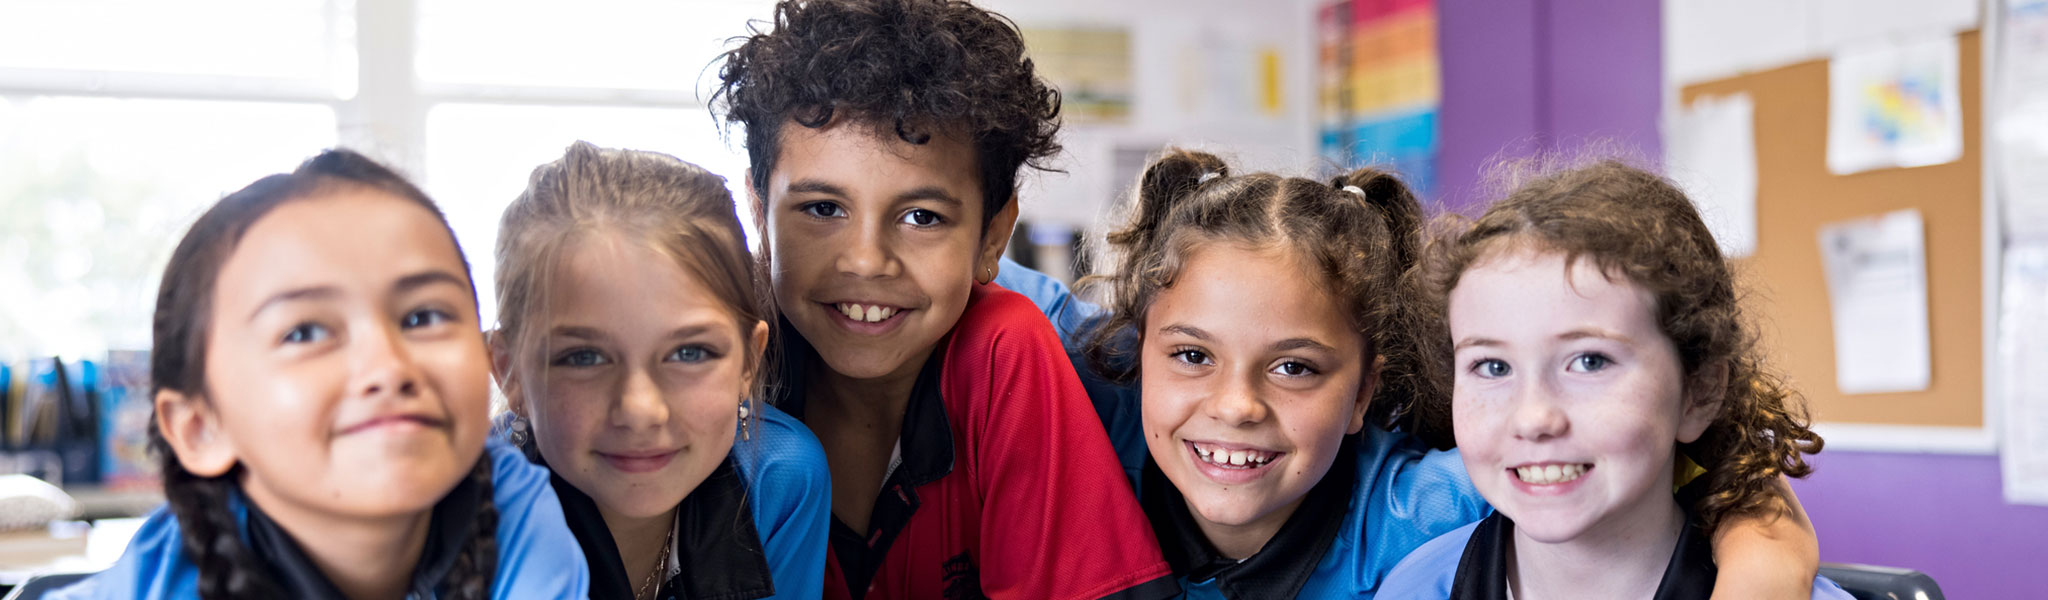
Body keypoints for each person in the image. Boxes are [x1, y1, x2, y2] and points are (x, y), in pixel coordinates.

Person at [1000, 151, 1830, 599]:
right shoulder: (1093, 398)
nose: (1235, 404)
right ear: (1137, 349)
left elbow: (1687, 466)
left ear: (1365, 390)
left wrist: (1767, 567)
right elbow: (937, 281)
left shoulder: (1425, 510)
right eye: (1190, 355)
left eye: (1295, 367)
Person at [713, 1, 1173, 598]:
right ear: (758, 211)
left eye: (921, 216)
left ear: (993, 236)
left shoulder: (1006, 348)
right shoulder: (704, 363)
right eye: (823, 209)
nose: (866, 260)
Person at [53, 149, 587, 600]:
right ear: (200, 428)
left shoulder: (512, 498)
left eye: (424, 317)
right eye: (305, 332)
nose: (390, 367)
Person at [1378, 159, 1851, 599]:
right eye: (1493, 366)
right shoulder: (1412, 588)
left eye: (1589, 361)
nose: (1534, 417)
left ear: (1699, 392)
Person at [488, 142, 829, 600]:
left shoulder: (782, 479)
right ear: (510, 373)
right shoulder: (443, 518)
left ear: (749, 360)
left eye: (689, 353)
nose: (640, 410)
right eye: (584, 357)